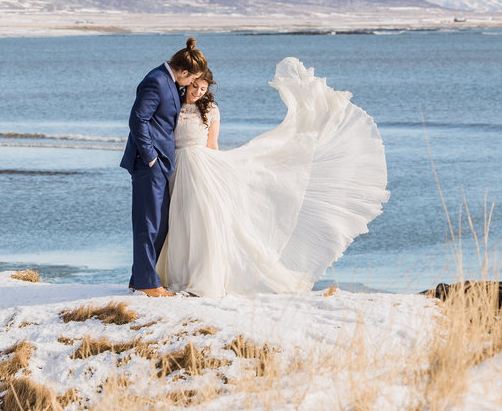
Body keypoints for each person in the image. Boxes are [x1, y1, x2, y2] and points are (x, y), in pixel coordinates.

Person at [156, 58, 390, 296]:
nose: (198, 91)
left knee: (201, 221)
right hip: (176, 168)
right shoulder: (174, 103)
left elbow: (212, 144)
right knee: (179, 222)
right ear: (188, 82)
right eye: (195, 86)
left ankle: (202, 280)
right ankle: (176, 275)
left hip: (201, 169)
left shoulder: (210, 109)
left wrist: (219, 172)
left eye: (203, 89)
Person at [120, 37, 207, 297]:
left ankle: (140, 278)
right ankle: (148, 285)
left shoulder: (168, 80)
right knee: (149, 223)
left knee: (160, 222)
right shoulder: (156, 81)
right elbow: (138, 120)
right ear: (183, 72)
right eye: (191, 79)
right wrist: (150, 157)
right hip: (149, 163)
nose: (190, 84)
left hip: (160, 164)